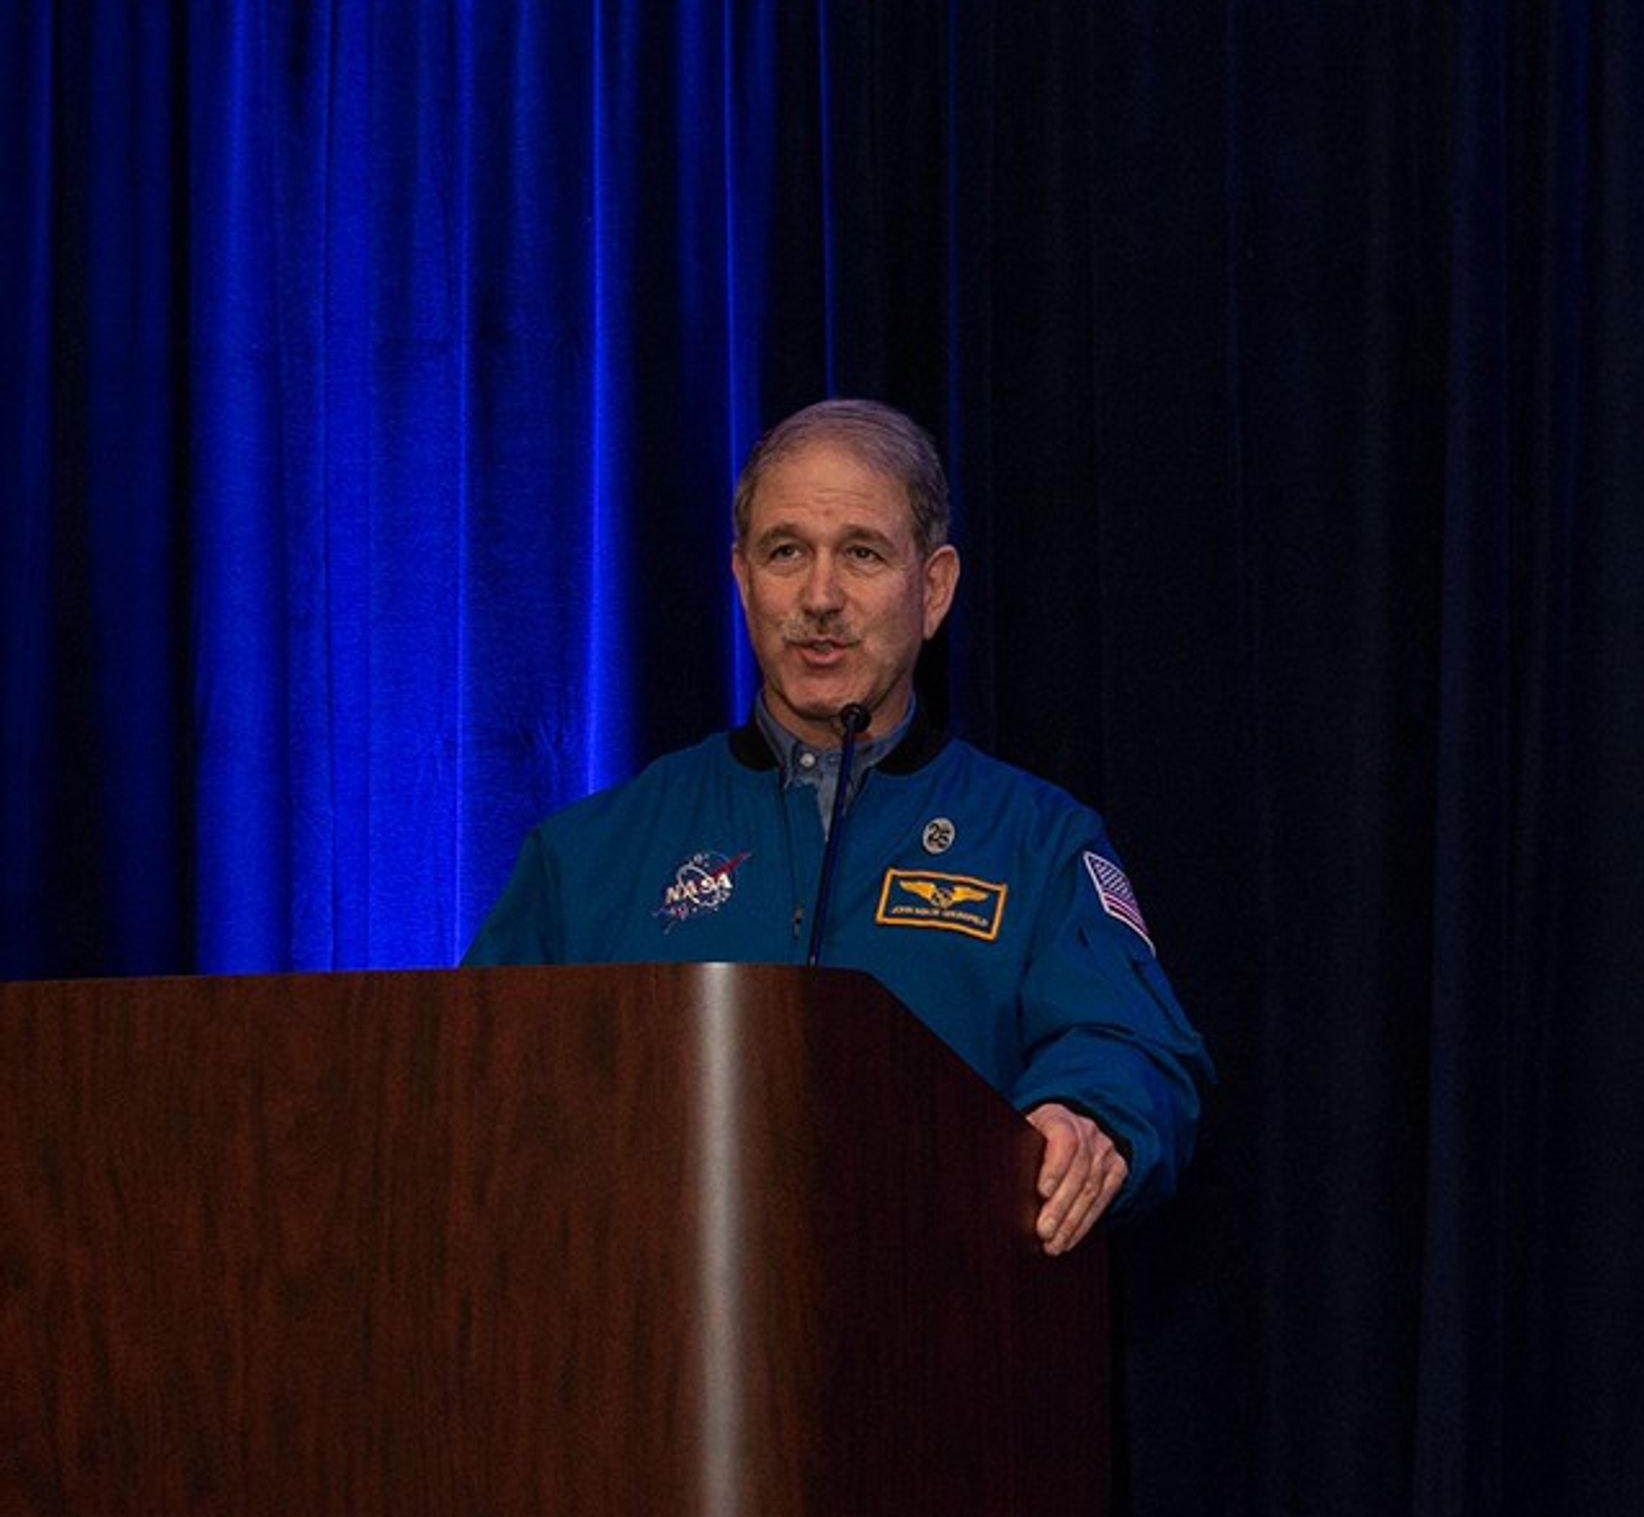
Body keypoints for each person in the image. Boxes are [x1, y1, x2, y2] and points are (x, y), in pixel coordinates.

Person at [468, 398, 1208, 1253]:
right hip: (649, 1349)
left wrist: (1084, 1115)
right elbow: (472, 1085)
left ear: (932, 590)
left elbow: (1134, 1050)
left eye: (861, 553)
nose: (820, 597)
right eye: (787, 553)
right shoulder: (590, 855)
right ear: (743, 580)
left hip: (949, 1338)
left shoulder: (1038, 841)